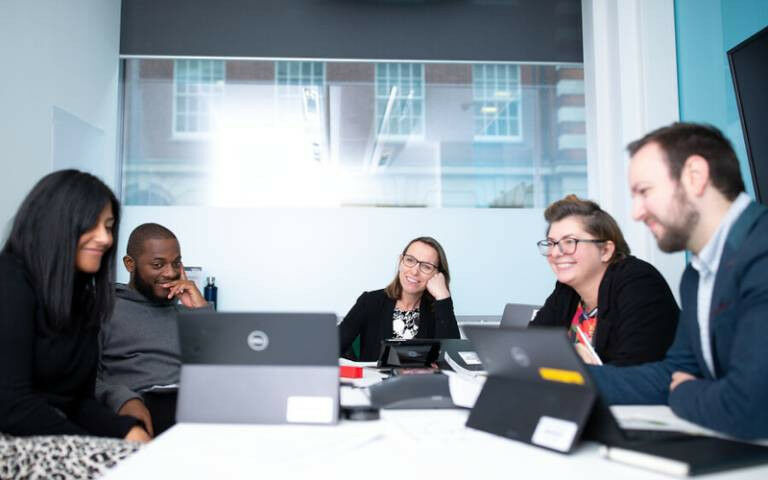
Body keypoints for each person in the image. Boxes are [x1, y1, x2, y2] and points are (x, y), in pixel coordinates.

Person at [589, 122, 768, 439]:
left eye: (644, 192)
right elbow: (673, 374)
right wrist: (565, 377)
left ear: (695, 177)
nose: (635, 212)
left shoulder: (761, 252)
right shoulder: (697, 274)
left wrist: (684, 392)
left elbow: (749, 405)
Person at [0, 169, 149, 442]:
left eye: (108, 226)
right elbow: (10, 405)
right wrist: (92, 447)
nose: (105, 238)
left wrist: (128, 431)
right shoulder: (9, 280)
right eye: (91, 224)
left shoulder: (82, 299)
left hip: (54, 440)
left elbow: (78, 402)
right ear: (54, 224)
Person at [530, 195, 679, 366]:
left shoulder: (640, 282)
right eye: (551, 243)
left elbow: (633, 370)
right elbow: (530, 348)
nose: (555, 253)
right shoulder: (566, 290)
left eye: (569, 242)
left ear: (605, 250)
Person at [97, 223, 211, 437]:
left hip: (194, 401)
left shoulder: (187, 310)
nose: (170, 273)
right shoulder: (104, 308)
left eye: (176, 263)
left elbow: (223, 369)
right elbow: (84, 380)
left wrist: (200, 311)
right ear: (130, 264)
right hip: (145, 402)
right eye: (158, 265)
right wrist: (123, 399)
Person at [339, 236, 460, 361]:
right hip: (375, 380)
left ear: (437, 275)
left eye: (426, 267)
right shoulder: (370, 301)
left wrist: (443, 297)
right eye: (410, 260)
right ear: (401, 262)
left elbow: (452, 359)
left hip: (422, 381)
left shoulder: (439, 310)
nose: (414, 271)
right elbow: (331, 348)